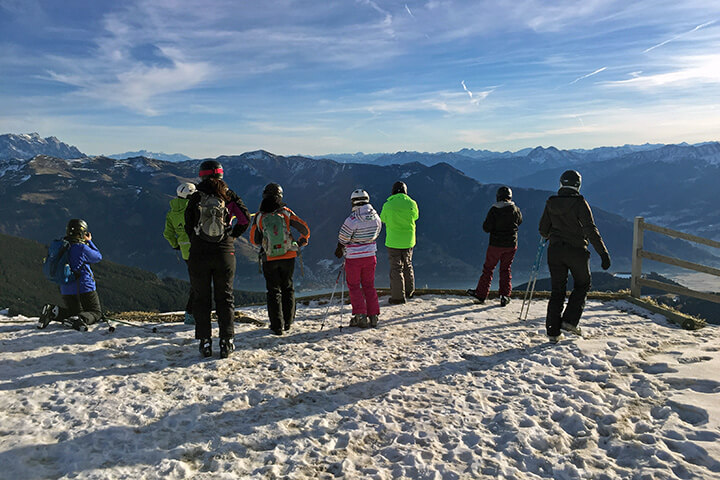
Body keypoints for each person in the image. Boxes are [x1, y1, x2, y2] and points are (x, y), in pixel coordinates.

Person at [184, 160, 250, 358]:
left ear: (201, 175)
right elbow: (245, 219)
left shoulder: (196, 196)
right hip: (224, 253)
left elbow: (187, 224)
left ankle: (205, 341)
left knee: (201, 298)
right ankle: (226, 341)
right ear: (221, 175)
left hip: (199, 253)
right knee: (225, 297)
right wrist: (232, 235)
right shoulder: (229, 195)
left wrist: (197, 239)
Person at [539, 170, 611, 343]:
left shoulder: (551, 202)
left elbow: (543, 229)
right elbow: (590, 229)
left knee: (557, 290)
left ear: (561, 183)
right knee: (583, 284)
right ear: (578, 184)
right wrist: (603, 253)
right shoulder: (580, 203)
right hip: (577, 251)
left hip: (555, 251)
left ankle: (553, 331)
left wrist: (553, 234)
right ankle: (570, 321)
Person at [250, 183, 310, 335]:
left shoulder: (259, 216)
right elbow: (305, 229)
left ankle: (276, 325)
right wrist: (302, 241)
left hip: (269, 258)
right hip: (288, 256)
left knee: (273, 291)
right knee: (288, 288)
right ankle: (288, 322)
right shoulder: (286, 212)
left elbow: (254, 240)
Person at [37, 219, 103, 331]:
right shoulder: (81, 248)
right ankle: (79, 319)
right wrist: (90, 241)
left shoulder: (60, 245)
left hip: (65, 286)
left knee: (73, 313)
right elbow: (98, 257)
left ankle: (54, 311)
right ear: (82, 232)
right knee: (96, 313)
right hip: (84, 286)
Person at [467, 186, 523, 306]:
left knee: (488, 269)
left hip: (496, 244)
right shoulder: (515, 209)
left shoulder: (494, 210)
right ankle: (505, 295)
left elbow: (486, 228)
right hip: (511, 244)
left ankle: (481, 294)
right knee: (505, 269)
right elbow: (520, 221)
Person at [335, 189, 383, 327]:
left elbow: (343, 237)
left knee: (354, 286)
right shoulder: (376, 217)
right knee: (369, 285)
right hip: (370, 255)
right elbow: (376, 234)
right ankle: (373, 315)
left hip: (354, 258)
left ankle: (360, 315)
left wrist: (340, 248)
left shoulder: (352, 219)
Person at [379, 181, 419, 304]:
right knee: (408, 264)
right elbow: (416, 216)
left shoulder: (388, 205)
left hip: (393, 241)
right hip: (408, 240)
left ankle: (398, 297)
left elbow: (382, 219)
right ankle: (409, 291)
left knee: (396, 268)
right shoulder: (412, 203)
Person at [164, 182, 196, 325]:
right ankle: (191, 313)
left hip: (185, 252)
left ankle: (192, 313)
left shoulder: (172, 213)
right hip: (200, 249)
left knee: (195, 282)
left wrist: (176, 245)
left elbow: (168, 233)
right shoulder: (195, 208)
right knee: (200, 284)